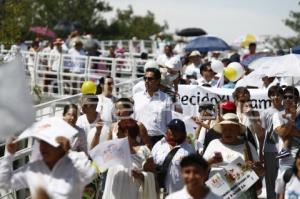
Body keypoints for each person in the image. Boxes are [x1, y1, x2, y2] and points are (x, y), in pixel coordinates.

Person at [0, 126, 97, 198]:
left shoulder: (75, 163)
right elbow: (4, 182)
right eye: (40, 142)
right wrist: (9, 155)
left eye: (47, 143)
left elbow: (91, 173)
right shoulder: (34, 169)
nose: (42, 147)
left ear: (59, 145)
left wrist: (69, 153)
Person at [203, 113, 264, 198]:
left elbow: (261, 171)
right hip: (216, 193)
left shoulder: (247, 145)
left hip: (241, 194)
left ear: (238, 131)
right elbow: (200, 168)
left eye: (231, 129)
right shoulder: (213, 144)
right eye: (225, 129)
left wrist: (252, 168)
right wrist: (212, 161)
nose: (228, 132)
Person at [102, 119, 157, 199]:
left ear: (126, 133)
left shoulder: (144, 152)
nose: (116, 134)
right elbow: (99, 166)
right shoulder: (112, 151)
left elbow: (153, 176)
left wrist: (141, 175)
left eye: (119, 131)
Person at [152, 119, 195, 194]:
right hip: (159, 193)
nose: (172, 132)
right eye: (171, 129)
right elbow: (151, 166)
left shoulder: (189, 149)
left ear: (183, 132)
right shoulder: (158, 145)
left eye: (176, 130)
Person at [133, 67, 172, 146]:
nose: (147, 81)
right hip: (139, 139)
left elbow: (169, 122)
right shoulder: (136, 97)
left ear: (158, 81)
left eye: (150, 79)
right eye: (145, 78)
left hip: (158, 140)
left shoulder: (166, 98)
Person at [260, 85, 284, 199]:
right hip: (269, 149)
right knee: (270, 178)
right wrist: (261, 150)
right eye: (273, 94)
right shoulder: (265, 112)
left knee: (283, 177)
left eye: (279, 94)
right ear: (270, 97)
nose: (276, 97)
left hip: (284, 149)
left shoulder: (287, 111)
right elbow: (261, 133)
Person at [273, 86, 300, 174]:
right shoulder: (277, 115)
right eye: (285, 97)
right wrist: (291, 119)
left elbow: (287, 131)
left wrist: (290, 129)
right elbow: (282, 133)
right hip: (286, 162)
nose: (287, 99)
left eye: (291, 97)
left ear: (297, 99)